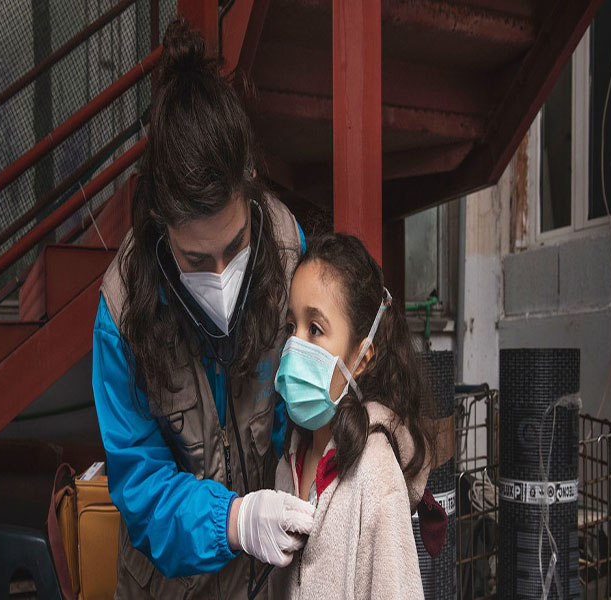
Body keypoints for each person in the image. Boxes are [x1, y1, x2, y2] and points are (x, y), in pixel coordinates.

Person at [91, 18, 314, 600]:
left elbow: (316, 391)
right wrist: (234, 521)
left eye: (235, 247)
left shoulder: (291, 252)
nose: (221, 275)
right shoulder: (121, 314)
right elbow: (139, 486)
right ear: (162, 228)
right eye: (195, 258)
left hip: (270, 582)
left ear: (251, 186)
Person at [269, 233, 437, 600]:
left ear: (362, 358)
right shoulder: (288, 463)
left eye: (315, 329)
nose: (295, 345)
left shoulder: (375, 470)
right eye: (290, 327)